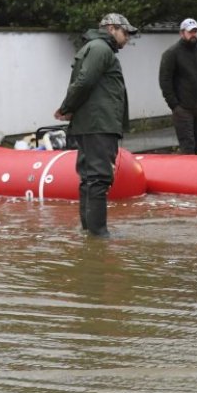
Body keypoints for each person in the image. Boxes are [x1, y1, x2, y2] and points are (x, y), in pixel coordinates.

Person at [53, 13, 137, 237]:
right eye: (125, 32)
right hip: (99, 125)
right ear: (111, 28)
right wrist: (67, 107)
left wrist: (70, 108)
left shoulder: (95, 48)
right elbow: (85, 81)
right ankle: (99, 236)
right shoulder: (101, 49)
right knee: (99, 178)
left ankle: (89, 232)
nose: (127, 37)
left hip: (92, 124)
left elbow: (85, 82)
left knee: (90, 179)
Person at [159, 18, 197, 154]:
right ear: (182, 33)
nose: (193, 34)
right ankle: (188, 172)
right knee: (188, 146)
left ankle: (186, 168)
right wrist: (174, 105)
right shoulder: (172, 54)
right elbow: (165, 80)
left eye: (196, 31)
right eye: (190, 32)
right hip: (183, 109)